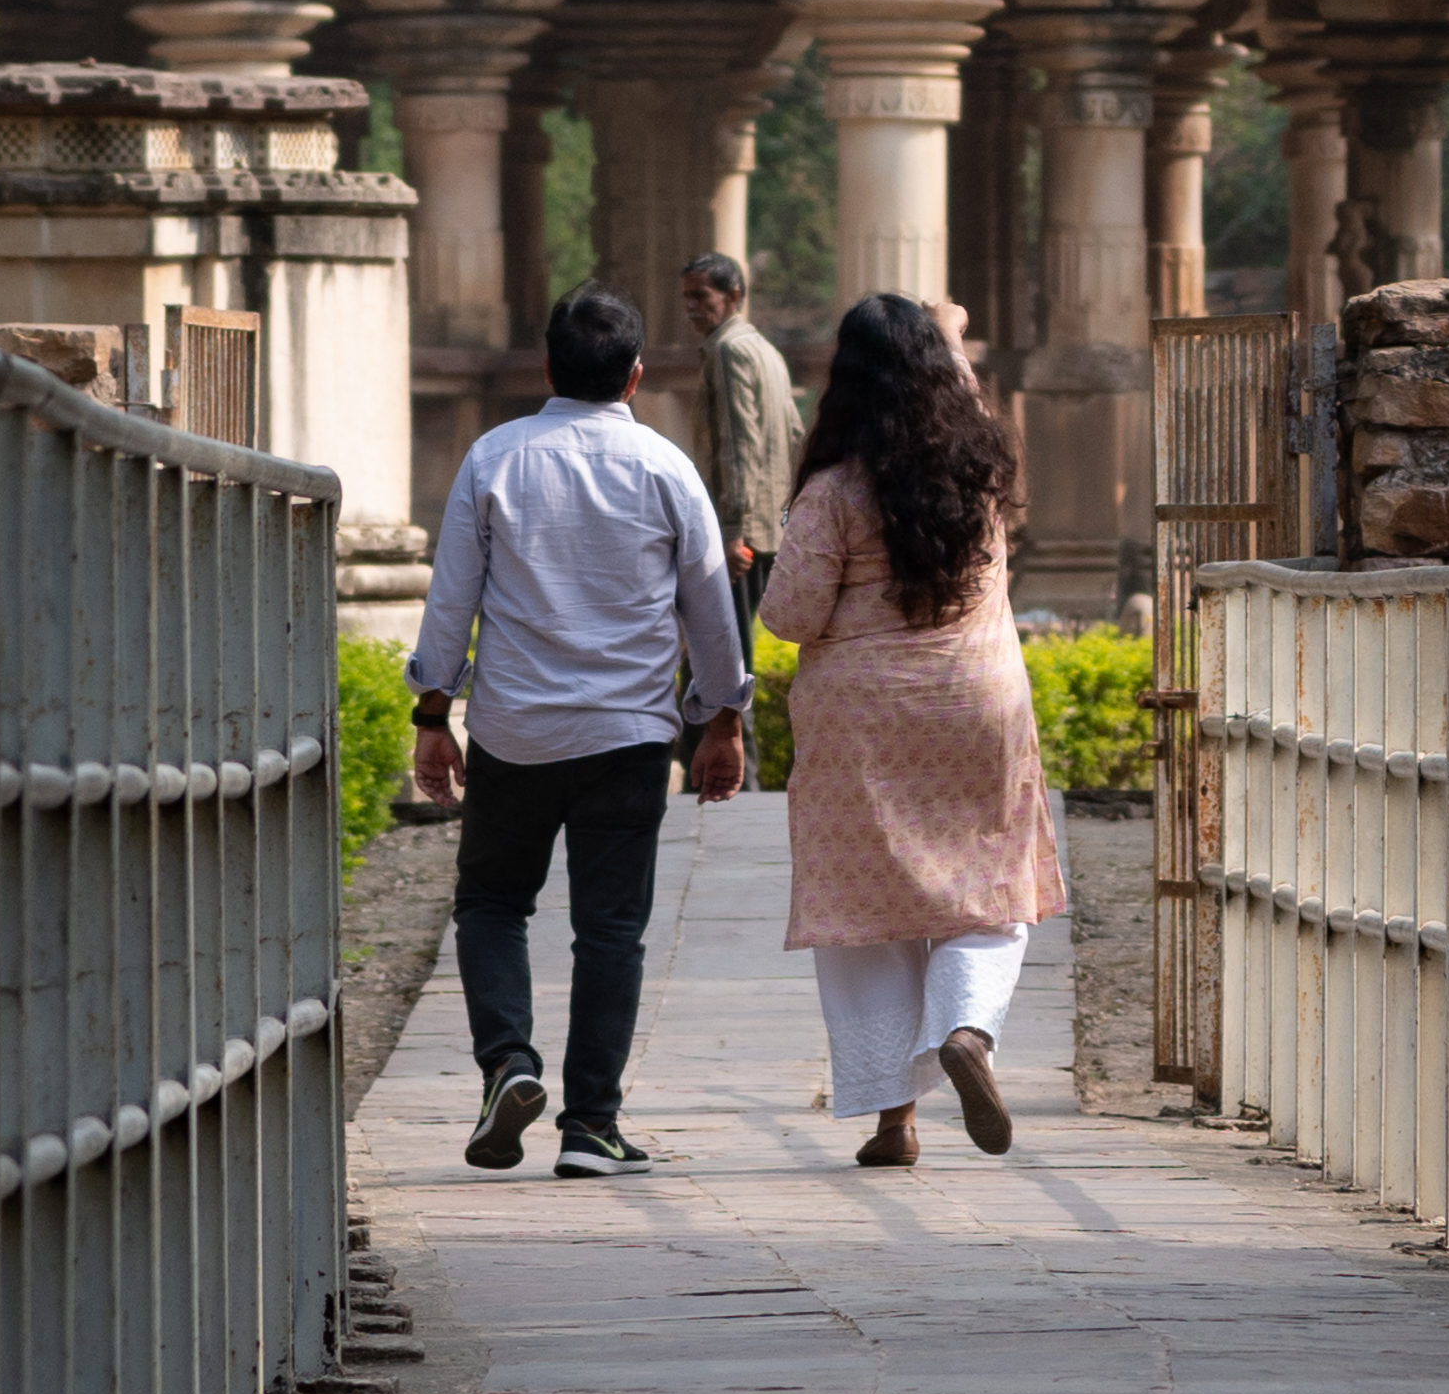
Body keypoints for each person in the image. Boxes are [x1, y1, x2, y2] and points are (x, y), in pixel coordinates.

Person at [409, 284, 753, 1179]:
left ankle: (508, 1066)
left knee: (491, 906)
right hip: (629, 736)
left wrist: (432, 713)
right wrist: (722, 720)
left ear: (549, 368)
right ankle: (590, 1125)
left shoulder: (494, 458)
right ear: (636, 376)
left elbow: (452, 600)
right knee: (609, 931)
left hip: (515, 730)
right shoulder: (666, 469)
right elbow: (713, 613)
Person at [765, 286, 1060, 1168]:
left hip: (862, 723)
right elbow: (956, 400)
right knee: (991, 892)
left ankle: (894, 1122)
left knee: (867, 916)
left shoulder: (832, 492)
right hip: (978, 706)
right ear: (941, 375)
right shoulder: (983, 473)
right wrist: (949, 335)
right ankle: (968, 1029)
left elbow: (788, 614)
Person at [680, 246, 801, 631]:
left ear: (733, 296)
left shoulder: (729, 351)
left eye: (701, 295)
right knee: (732, 648)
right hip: (766, 527)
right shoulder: (764, 350)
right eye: (687, 296)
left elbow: (738, 446)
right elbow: (795, 435)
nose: (691, 306)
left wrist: (732, 531)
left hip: (739, 535)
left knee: (716, 651)